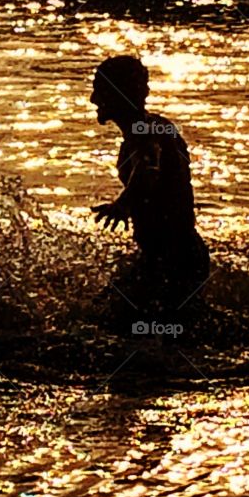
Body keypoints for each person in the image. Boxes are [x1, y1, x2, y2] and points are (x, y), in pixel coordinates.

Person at [89, 56, 209, 327]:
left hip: (174, 258)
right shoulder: (151, 127)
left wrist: (123, 204)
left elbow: (148, 168)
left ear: (118, 94)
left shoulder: (145, 132)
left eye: (99, 90)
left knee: (120, 325)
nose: (93, 99)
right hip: (174, 254)